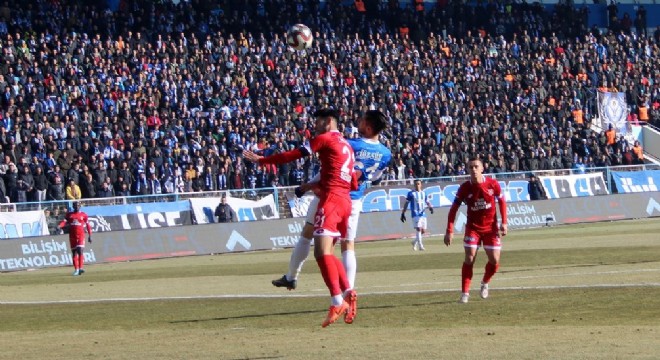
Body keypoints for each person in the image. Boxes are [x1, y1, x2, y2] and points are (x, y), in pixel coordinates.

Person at [271, 110, 392, 325]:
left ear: (369, 127)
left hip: (331, 193)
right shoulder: (385, 153)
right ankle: (348, 290)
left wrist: (309, 185)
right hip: (354, 199)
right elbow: (374, 179)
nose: (358, 121)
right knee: (348, 245)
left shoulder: (351, 144)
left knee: (309, 235)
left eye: (362, 120)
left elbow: (333, 168)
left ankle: (292, 276)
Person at [243, 108, 356, 328]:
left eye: (318, 121)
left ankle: (337, 301)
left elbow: (293, 154)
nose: (314, 126)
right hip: (345, 202)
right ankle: (348, 291)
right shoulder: (347, 146)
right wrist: (315, 186)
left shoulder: (324, 139)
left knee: (321, 252)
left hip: (332, 200)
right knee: (329, 252)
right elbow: (353, 183)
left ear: (328, 121)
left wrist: (263, 160)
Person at [444, 158, 508, 304]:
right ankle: (465, 293)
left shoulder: (493, 184)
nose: (473, 169)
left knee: (495, 260)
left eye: (476, 166)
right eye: (471, 167)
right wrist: (449, 230)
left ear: (482, 168)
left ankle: (485, 282)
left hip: (490, 228)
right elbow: (453, 209)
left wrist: (504, 222)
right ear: (468, 170)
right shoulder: (465, 188)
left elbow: (502, 201)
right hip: (473, 228)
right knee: (470, 257)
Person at [58, 201, 92, 276]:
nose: (76, 207)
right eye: (75, 206)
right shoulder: (69, 215)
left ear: (80, 206)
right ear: (73, 207)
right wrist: (60, 226)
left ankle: (80, 268)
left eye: (78, 206)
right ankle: (76, 269)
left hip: (81, 235)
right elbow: (64, 222)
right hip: (72, 236)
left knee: (80, 251)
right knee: (74, 253)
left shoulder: (83, 215)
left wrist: (90, 235)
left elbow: (88, 225)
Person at [400, 179, 434, 251]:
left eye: (418, 184)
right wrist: (403, 213)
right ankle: (421, 246)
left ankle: (414, 241)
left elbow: (427, 201)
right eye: (415, 184)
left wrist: (430, 207)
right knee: (418, 229)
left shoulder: (424, 193)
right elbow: (406, 203)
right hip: (415, 214)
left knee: (423, 231)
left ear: (421, 185)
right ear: (414, 185)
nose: (417, 185)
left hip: (423, 214)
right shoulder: (411, 193)